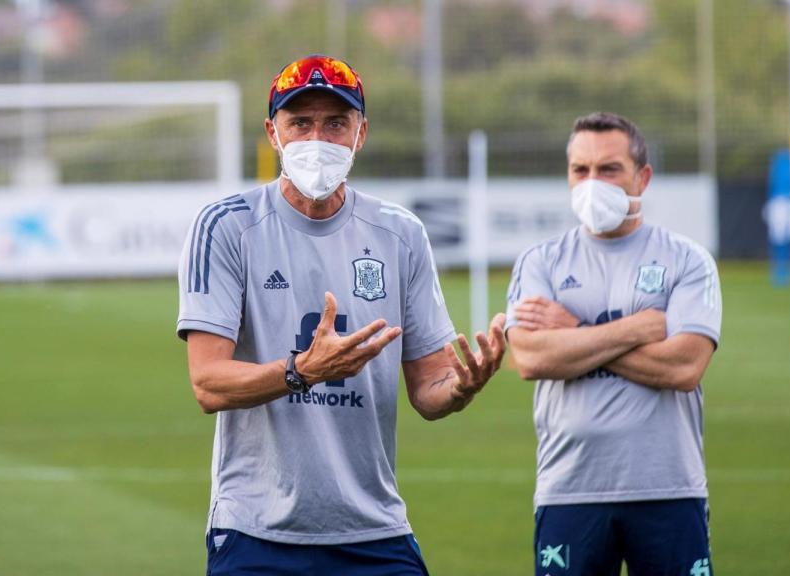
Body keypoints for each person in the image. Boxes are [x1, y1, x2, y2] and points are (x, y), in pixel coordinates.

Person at [176, 54, 506, 576]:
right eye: (300, 122)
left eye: (335, 123)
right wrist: (303, 370)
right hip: (256, 532)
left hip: (374, 532)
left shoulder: (400, 233)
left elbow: (429, 389)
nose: (317, 139)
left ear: (361, 133)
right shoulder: (227, 227)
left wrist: (460, 386)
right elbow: (208, 383)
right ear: (273, 133)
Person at [505, 112, 722, 576]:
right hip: (570, 490)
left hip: (670, 489)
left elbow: (683, 368)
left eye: (608, 170)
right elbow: (530, 357)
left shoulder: (687, 260)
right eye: (580, 170)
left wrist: (573, 333)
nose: (592, 182)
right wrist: (640, 328)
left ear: (642, 178)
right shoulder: (539, 262)